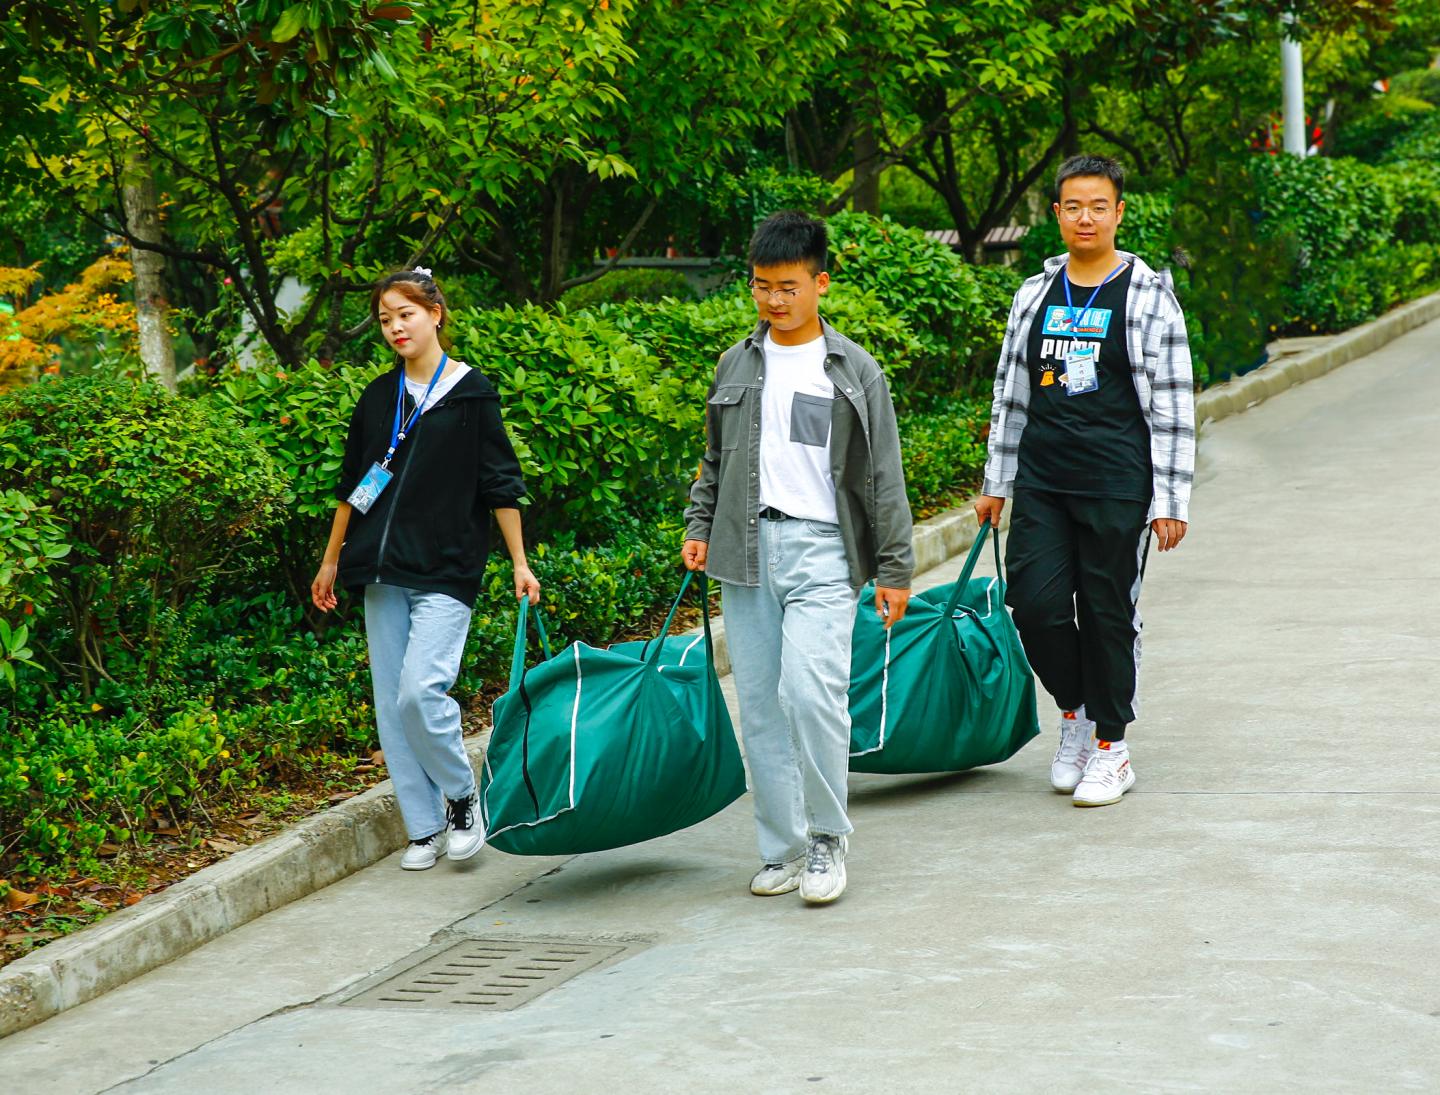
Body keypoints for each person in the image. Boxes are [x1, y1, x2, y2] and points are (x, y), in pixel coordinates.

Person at [683, 211, 914, 904]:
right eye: (762, 286)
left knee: (811, 694)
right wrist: (699, 524)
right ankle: (780, 848)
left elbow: (884, 474)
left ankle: (826, 837)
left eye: (788, 287)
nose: (773, 300)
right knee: (759, 707)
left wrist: (896, 569)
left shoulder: (854, 370)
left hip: (823, 550)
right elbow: (714, 460)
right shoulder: (735, 363)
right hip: (745, 549)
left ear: (821, 283)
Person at [975, 154, 1194, 807]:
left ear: (1119, 212)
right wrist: (996, 480)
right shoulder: (1034, 293)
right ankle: (1074, 713)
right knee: (1034, 604)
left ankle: (1111, 745)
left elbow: (1173, 403)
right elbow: (1010, 392)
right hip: (1043, 477)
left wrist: (1171, 498)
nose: (1086, 218)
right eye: (1073, 206)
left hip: (1117, 481)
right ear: (1057, 214)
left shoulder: (1147, 296)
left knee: (1107, 612)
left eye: (1099, 206)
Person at [311, 267, 540, 870]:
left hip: (445, 568)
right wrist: (332, 559)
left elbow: (500, 485)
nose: (395, 327)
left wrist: (519, 563)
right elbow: (354, 485)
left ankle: (462, 796)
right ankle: (423, 827)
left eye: (405, 314)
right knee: (392, 705)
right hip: (380, 569)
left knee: (419, 693)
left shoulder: (472, 394)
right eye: (385, 319)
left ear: (435, 314)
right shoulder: (377, 397)